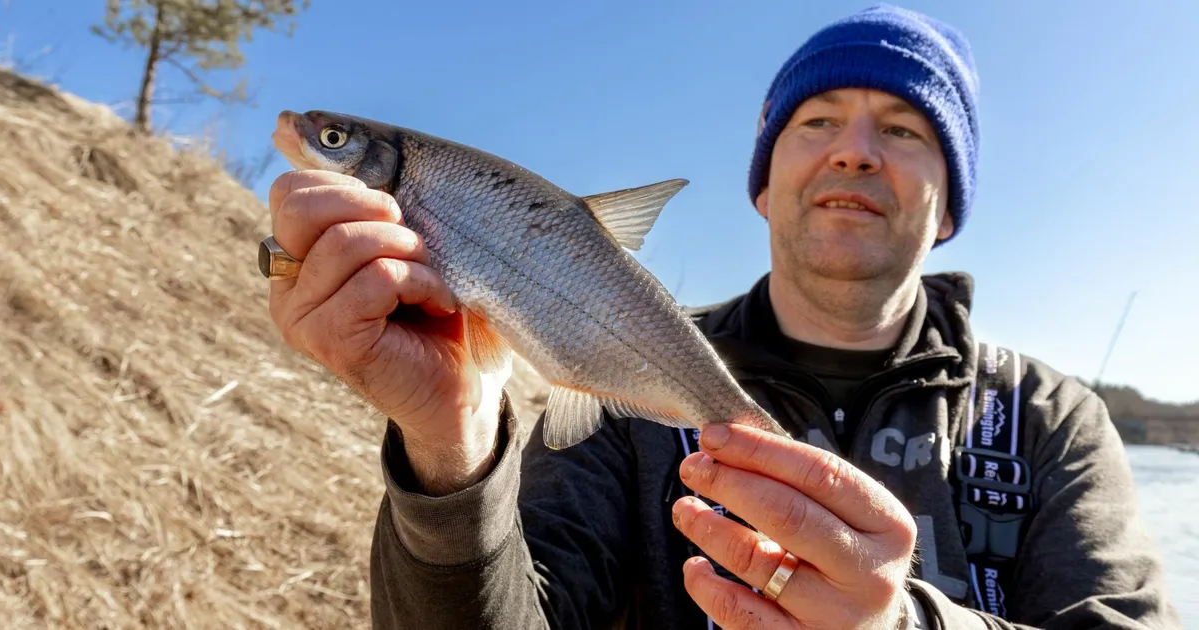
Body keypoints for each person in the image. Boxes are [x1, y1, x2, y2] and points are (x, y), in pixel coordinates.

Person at [260, 4, 1181, 629]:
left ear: (948, 210)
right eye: (816, 122)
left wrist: (908, 625)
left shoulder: (1051, 421)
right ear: (764, 188)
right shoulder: (617, 407)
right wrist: (448, 446)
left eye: (904, 130)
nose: (855, 153)